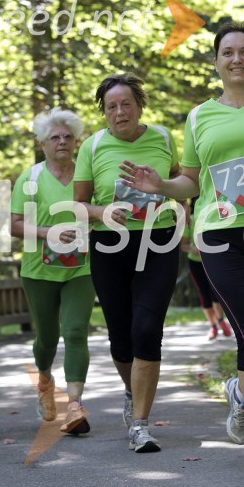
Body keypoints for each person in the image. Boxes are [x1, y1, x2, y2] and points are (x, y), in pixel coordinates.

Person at [119, 22, 244, 473]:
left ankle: (237, 390)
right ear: (217, 61)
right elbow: (190, 180)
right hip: (219, 234)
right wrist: (161, 185)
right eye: (227, 52)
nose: (236, 59)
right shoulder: (199, 117)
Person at [74, 73, 181, 453]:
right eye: (111, 107)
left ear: (139, 106)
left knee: (147, 327)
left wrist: (178, 207)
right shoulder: (92, 146)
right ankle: (129, 388)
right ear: (104, 113)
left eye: (126, 104)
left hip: (159, 239)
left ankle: (140, 423)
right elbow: (78, 204)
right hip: (109, 244)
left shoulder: (164, 138)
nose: (119, 112)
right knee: (120, 334)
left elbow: (181, 185)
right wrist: (102, 212)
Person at [10, 108, 95, 435]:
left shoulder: (86, 176)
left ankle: (74, 405)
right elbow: (14, 225)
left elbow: (100, 212)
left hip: (82, 268)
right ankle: (45, 381)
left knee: (75, 331)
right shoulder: (29, 180)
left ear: (76, 142)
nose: (62, 141)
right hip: (39, 270)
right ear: (43, 144)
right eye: (54, 137)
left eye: (68, 137)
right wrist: (48, 233)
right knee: (47, 337)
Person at [181, 199, 232, 341]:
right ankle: (213, 326)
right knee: (204, 294)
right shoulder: (189, 221)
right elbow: (183, 246)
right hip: (196, 263)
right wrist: (194, 249)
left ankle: (221, 321)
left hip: (214, 261)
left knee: (216, 292)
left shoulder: (214, 217)